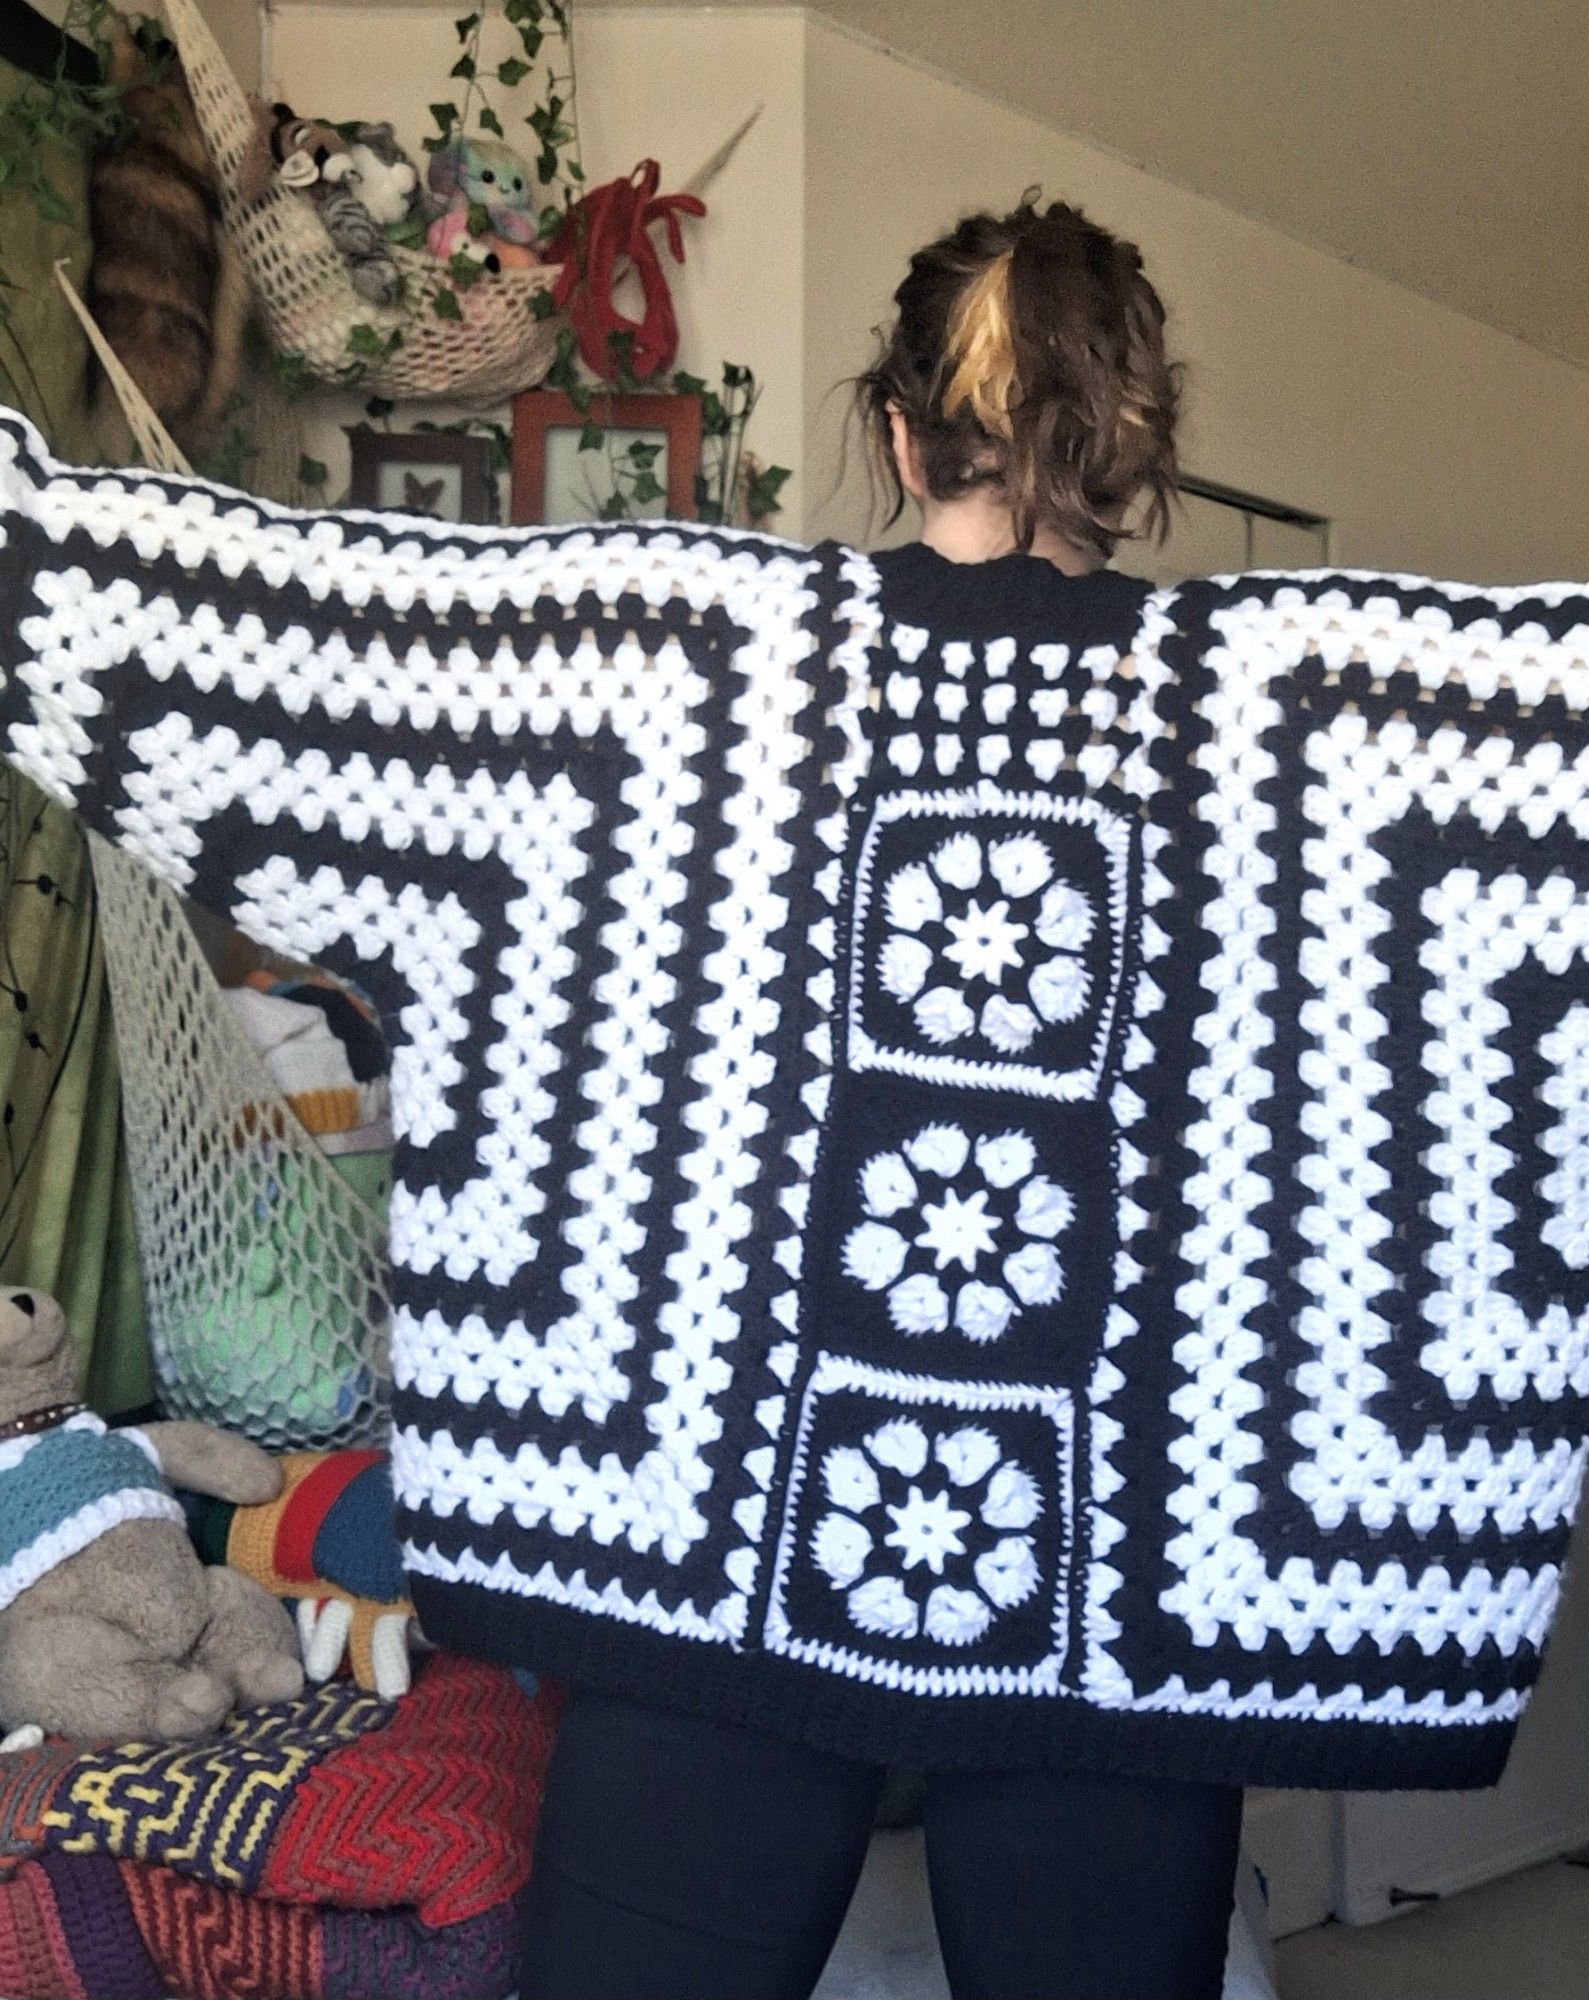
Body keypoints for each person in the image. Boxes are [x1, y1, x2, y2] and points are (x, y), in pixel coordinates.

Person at [516, 196, 1246, 2000]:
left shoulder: (693, 679)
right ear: (1138, 446)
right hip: (1126, 1589)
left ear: (899, 430)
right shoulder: (1282, 726)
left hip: (705, 1542)